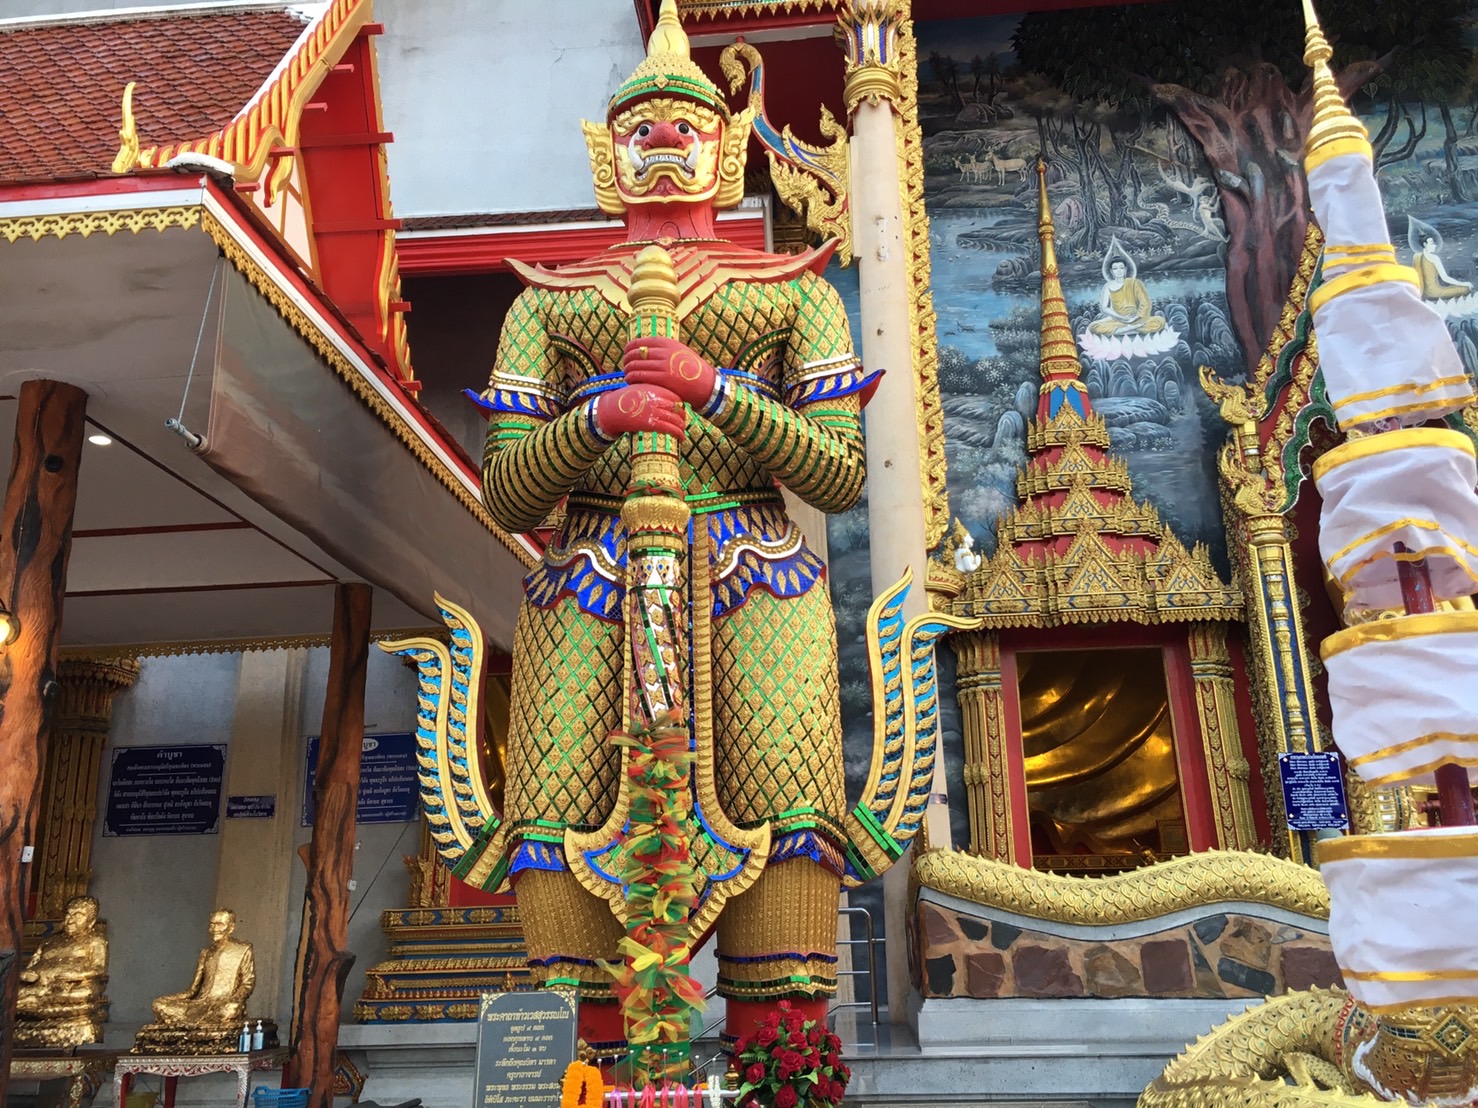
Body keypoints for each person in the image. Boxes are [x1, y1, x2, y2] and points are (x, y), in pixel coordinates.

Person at [475, 0, 872, 1053]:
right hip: (590, 576)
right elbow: (508, 495)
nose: (660, 139)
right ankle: (589, 1071)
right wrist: (597, 418)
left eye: (685, 125)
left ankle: (782, 1066)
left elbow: (837, 475)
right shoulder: (547, 305)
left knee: (789, 826)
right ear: (605, 156)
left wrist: (711, 388)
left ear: (727, 150)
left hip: (753, 575)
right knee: (554, 827)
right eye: (638, 127)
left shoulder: (793, 295)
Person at [15, 895, 108, 1046]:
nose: (71, 920)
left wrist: (75, 975)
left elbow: (99, 969)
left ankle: (33, 1005)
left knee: (85, 994)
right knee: (12, 994)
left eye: (78, 916)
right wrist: (26, 974)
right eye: (69, 915)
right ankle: (35, 1005)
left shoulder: (95, 940)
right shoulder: (49, 941)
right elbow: (32, 965)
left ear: (91, 921)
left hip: (70, 987)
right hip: (38, 986)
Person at [150, 908, 255, 1027]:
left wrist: (234, 999)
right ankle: (200, 1021)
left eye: (219, 924)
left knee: (232, 1009)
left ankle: (204, 1021)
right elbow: (192, 990)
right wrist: (168, 999)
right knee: (159, 1004)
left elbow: (247, 984)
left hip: (224, 1004)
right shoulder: (205, 953)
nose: (214, 929)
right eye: (212, 924)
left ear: (231, 927)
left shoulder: (243, 950)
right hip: (201, 1005)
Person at [1088, 238, 1166, 336]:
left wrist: (1136, 317)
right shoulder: (1108, 286)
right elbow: (1104, 308)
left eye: (1121, 268)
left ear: (1125, 269)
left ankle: (1124, 330)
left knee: (1159, 322)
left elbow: (1145, 303)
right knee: (1093, 327)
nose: (1119, 271)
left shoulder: (1135, 283)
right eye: (1115, 268)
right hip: (1117, 320)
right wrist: (1121, 318)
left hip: (1136, 318)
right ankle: (1131, 329)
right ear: (1111, 271)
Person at [1409, 217, 1472, 301]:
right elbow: (1445, 278)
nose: (1435, 245)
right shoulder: (1434, 258)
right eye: (1432, 243)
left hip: (1423, 293)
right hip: (1435, 292)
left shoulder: (1416, 256)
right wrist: (1463, 284)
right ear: (1425, 245)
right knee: (1466, 289)